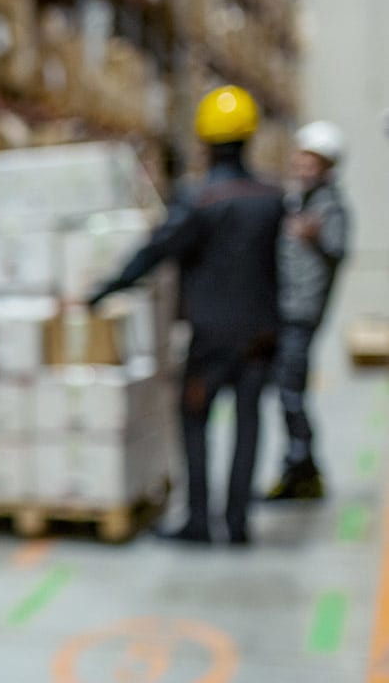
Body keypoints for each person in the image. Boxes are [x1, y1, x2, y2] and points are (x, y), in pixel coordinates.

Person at [88, 85, 283, 545]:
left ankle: (199, 520)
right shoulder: (272, 198)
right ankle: (237, 524)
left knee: (194, 419)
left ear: (205, 141)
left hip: (212, 336)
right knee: (249, 423)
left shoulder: (201, 201)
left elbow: (155, 252)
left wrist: (103, 290)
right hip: (261, 334)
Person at [265, 121, 351, 500]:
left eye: (310, 161)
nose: (302, 166)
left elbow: (337, 248)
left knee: (290, 390)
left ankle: (300, 468)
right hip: (287, 309)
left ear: (328, 165)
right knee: (288, 389)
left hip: (302, 312)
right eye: (300, 159)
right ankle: (305, 470)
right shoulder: (301, 201)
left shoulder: (331, 207)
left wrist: (315, 236)